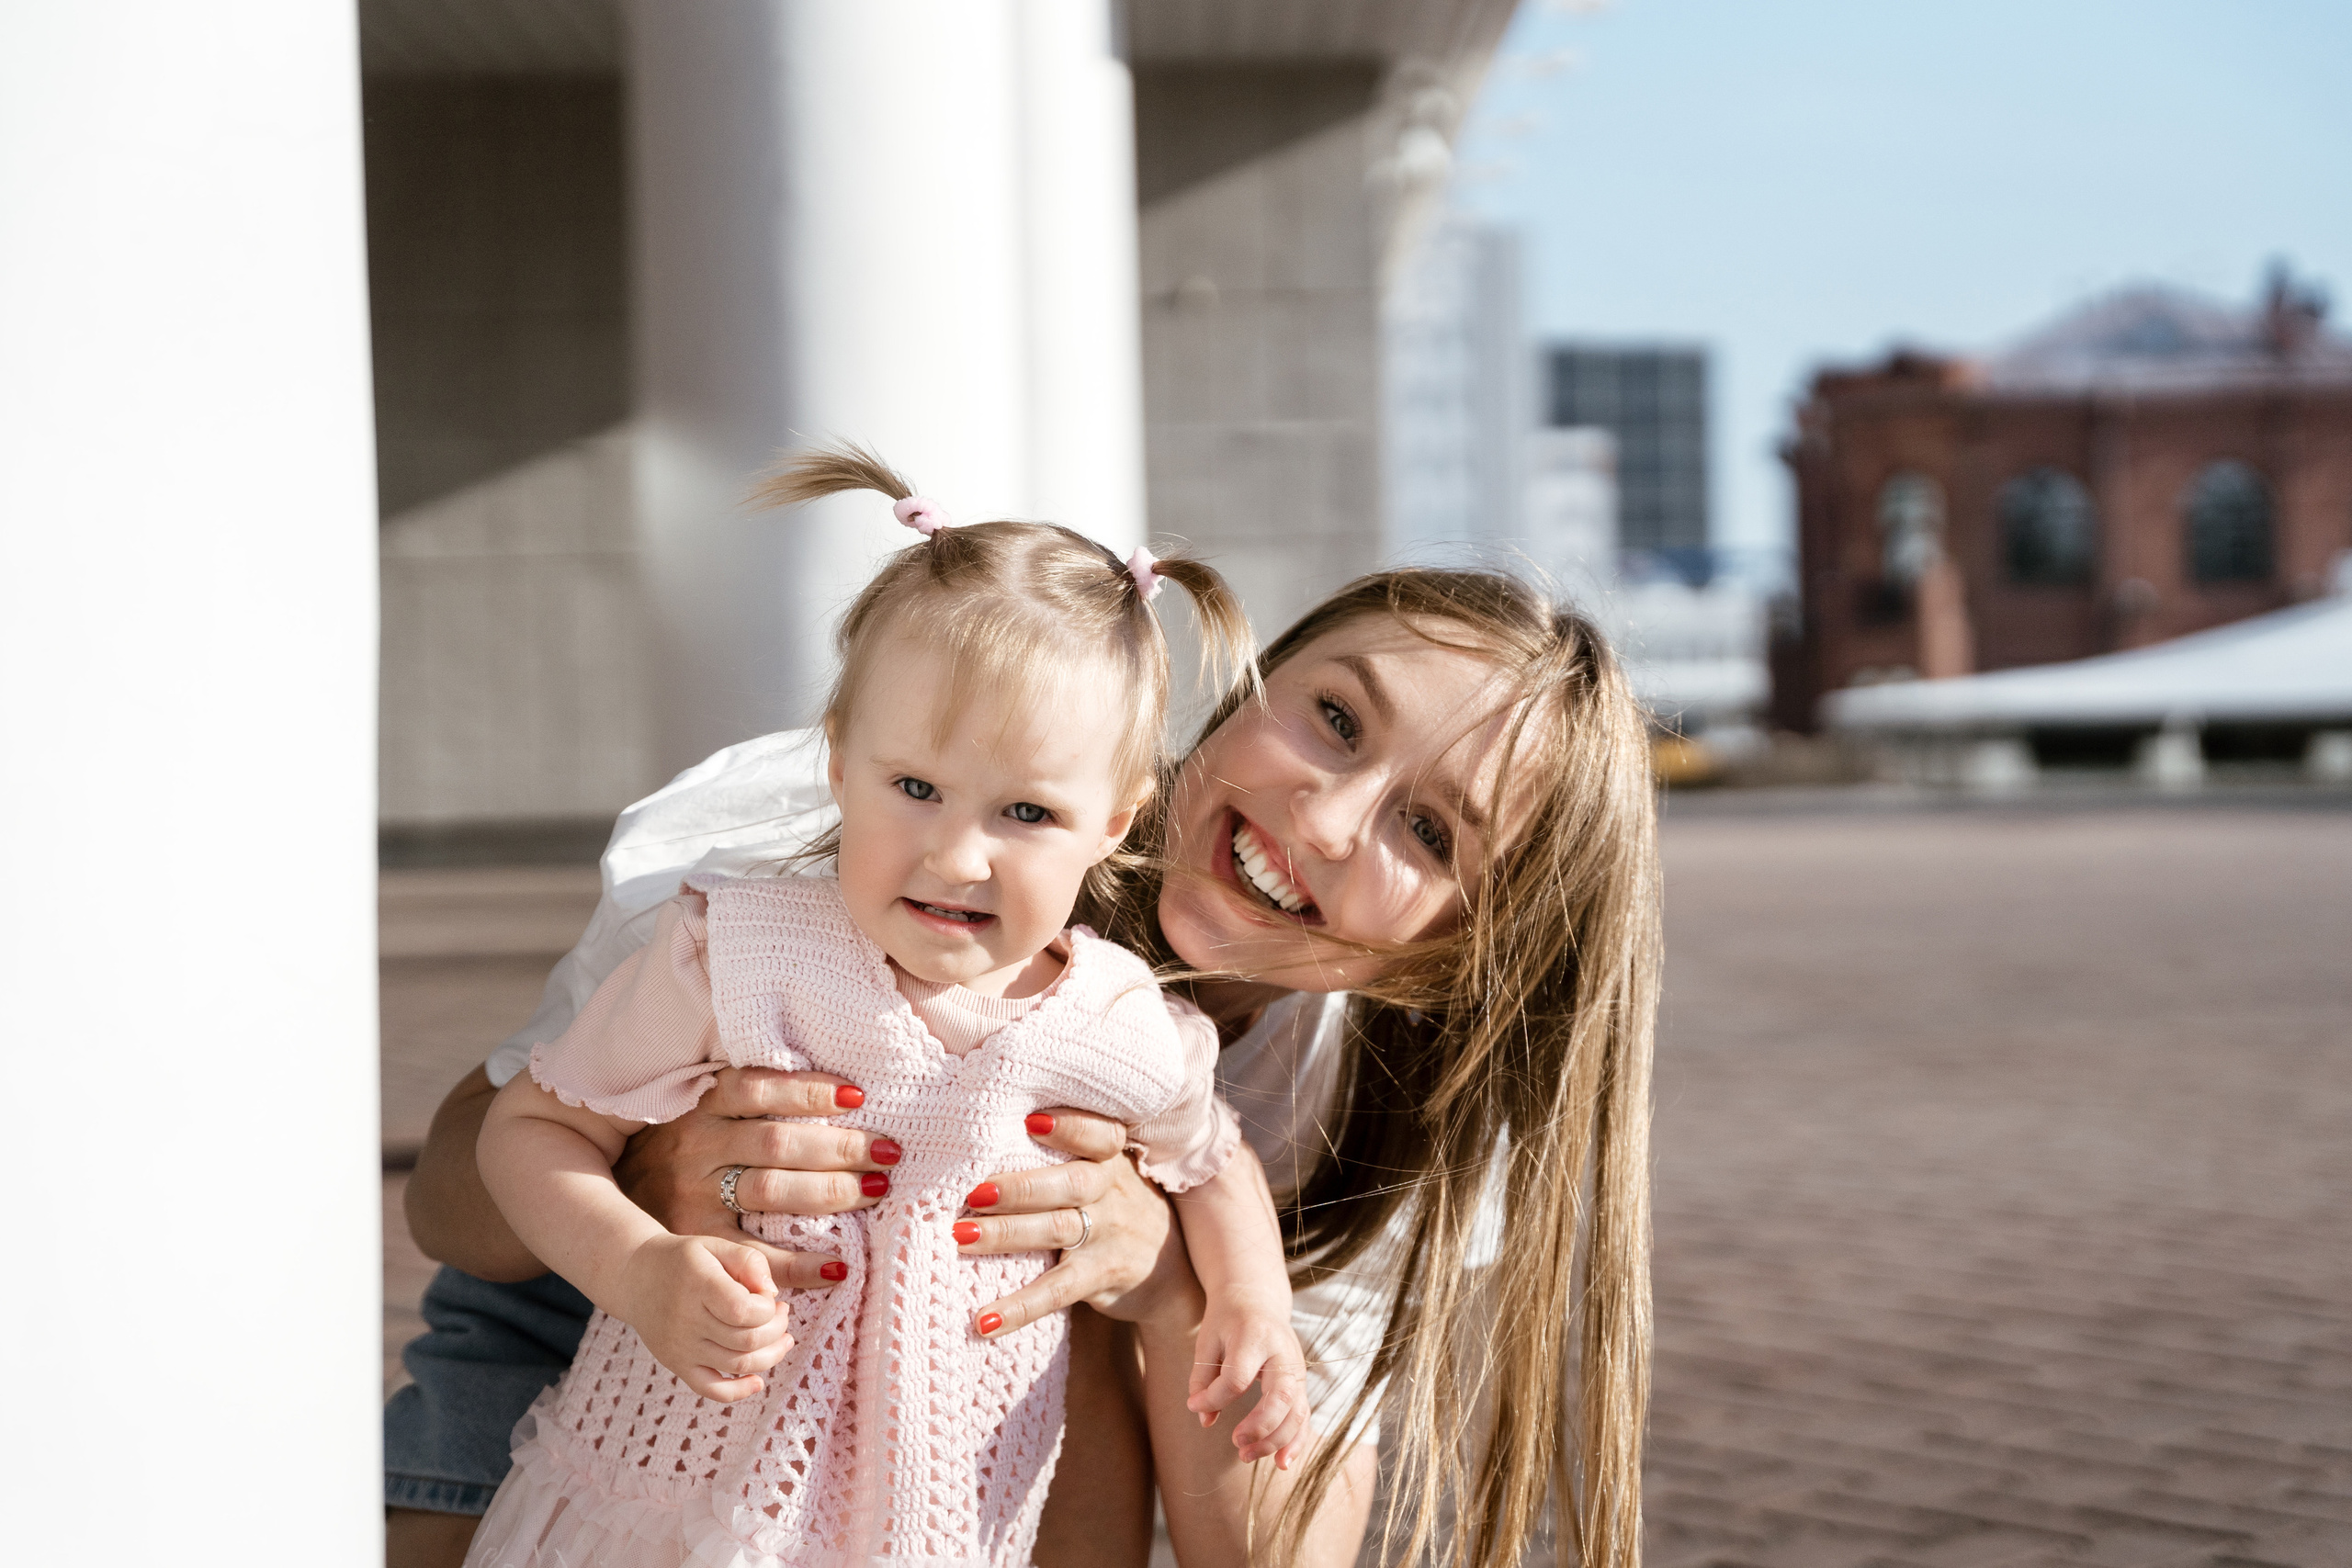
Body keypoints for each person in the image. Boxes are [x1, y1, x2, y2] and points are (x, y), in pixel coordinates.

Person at [392, 565, 1660, 1568]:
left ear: (1466, 949)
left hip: (947, 1458)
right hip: (589, 1365)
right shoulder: (866, 824)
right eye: (1334, 717)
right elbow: (454, 1202)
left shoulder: (1370, 1104)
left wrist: (1174, 1283)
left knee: (1050, 1252)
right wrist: (651, 1178)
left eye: (1428, 831)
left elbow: (1275, 1552)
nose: (1324, 817)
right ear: (1254, 678)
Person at [460, 447, 1303, 1567]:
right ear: (840, 765)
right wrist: (632, 1265)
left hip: (936, 1521)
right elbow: (532, 1128)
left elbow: (1207, 1158)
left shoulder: (1116, 1020)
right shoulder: (742, 957)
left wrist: (1252, 1301)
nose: (956, 855)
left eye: (1026, 813)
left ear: (1113, 822)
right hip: (668, 1496)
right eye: (914, 788)